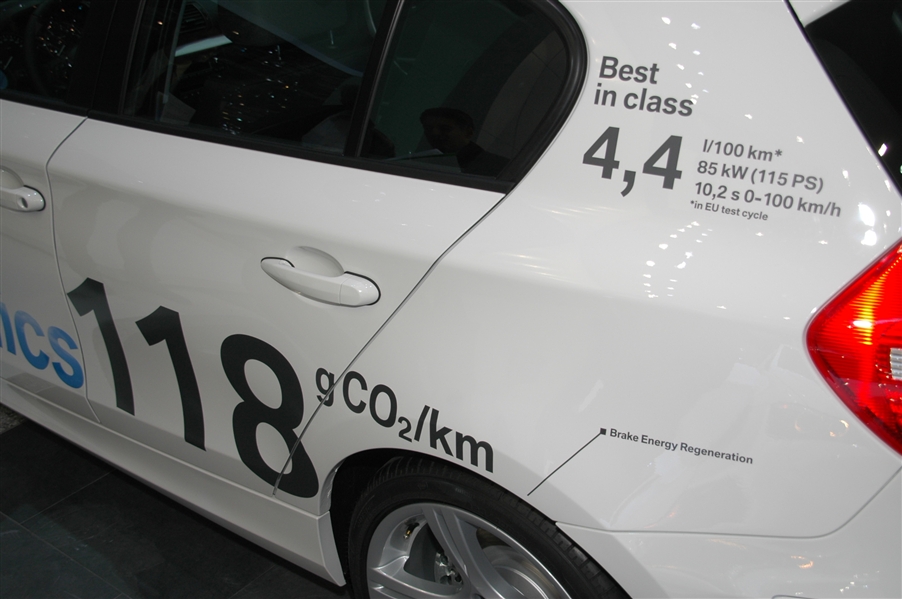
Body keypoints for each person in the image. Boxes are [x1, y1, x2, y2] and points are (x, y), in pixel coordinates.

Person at [419, 107, 508, 176]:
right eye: (428, 129)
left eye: (445, 129)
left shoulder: (498, 168)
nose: (435, 133)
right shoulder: (420, 162)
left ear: (468, 133)